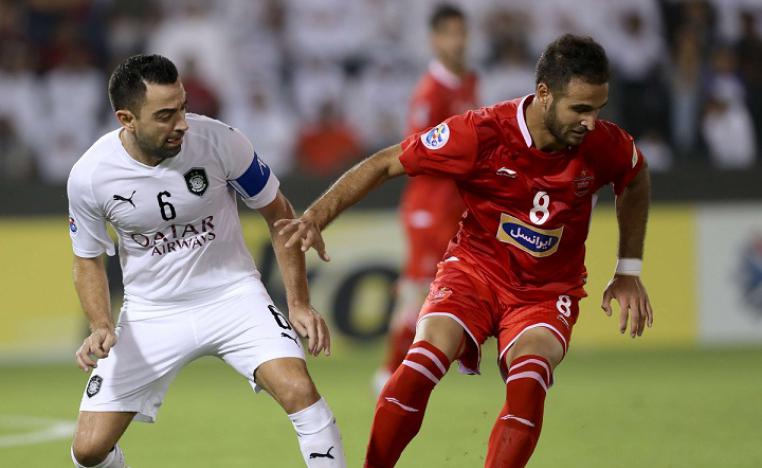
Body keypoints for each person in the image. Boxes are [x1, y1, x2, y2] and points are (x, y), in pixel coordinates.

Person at [276, 34, 654, 468]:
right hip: (474, 272)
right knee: (419, 365)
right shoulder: (481, 133)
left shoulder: (604, 143)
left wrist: (628, 270)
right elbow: (385, 163)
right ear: (544, 94)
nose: (590, 122)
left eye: (598, 109)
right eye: (580, 109)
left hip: (545, 292)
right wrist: (315, 216)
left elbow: (635, 177)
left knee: (529, 384)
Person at [67, 54, 346, 468]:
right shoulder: (90, 176)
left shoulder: (221, 141)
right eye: (165, 115)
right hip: (152, 312)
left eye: (182, 107)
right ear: (126, 119)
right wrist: (101, 325)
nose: (181, 123)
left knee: (299, 391)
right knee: (89, 451)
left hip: (233, 296)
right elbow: (87, 260)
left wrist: (299, 302)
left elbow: (280, 216)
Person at [373, 3, 478, 394]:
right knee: (418, 290)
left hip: (456, 206)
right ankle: (388, 373)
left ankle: (434, 362)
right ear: (434, 39)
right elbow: (417, 154)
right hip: (428, 207)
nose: (457, 41)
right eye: (449, 33)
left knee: (448, 286)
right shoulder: (430, 92)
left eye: (461, 32)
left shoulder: (468, 82)